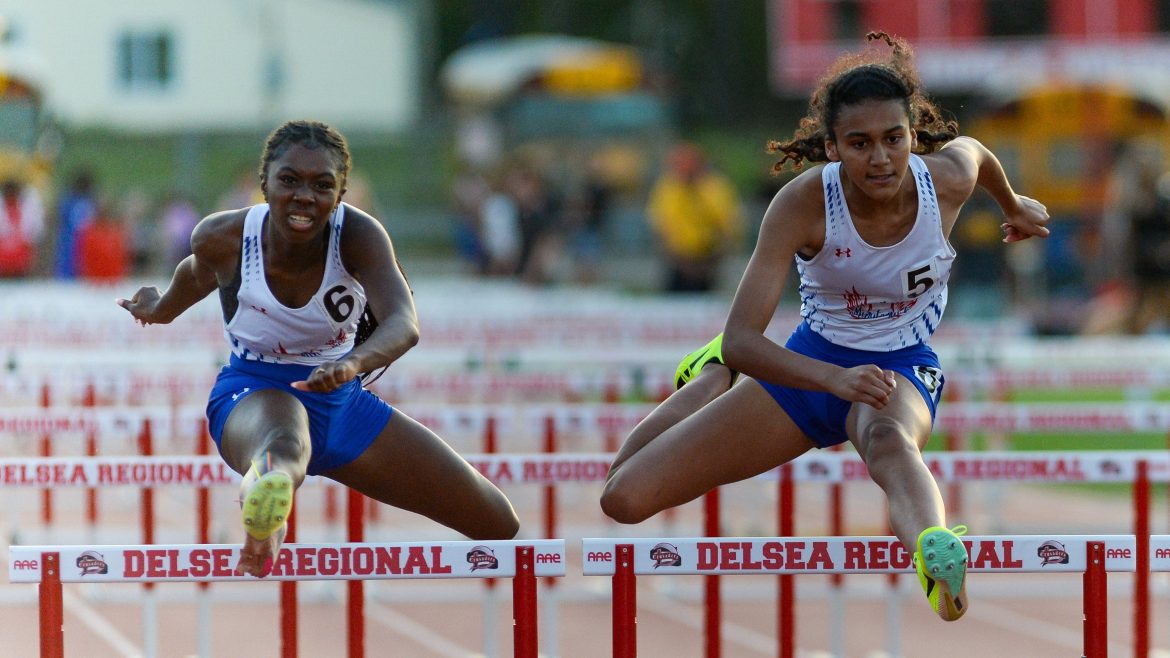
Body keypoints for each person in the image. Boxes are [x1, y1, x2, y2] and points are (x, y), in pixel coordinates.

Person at [600, 33, 1050, 622]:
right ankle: (711, 379)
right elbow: (744, 339)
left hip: (900, 364)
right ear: (832, 147)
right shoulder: (804, 204)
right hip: (807, 366)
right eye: (859, 144)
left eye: (894, 139)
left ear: (913, 134)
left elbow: (977, 151)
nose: (881, 159)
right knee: (624, 497)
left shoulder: (945, 180)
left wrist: (1013, 204)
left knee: (889, 440)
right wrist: (828, 379)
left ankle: (933, 547)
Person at [118, 120, 519, 577]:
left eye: (322, 185)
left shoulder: (360, 236)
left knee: (498, 523)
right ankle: (266, 502)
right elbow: (192, 278)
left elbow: (403, 323)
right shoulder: (223, 238)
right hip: (255, 394)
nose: (304, 196)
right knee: (286, 442)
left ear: (341, 192)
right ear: (263, 182)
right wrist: (157, 308)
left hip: (343, 403)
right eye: (289, 180)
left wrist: (353, 364)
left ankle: (269, 497)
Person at [646, 142, 742, 292]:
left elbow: (729, 227)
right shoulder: (667, 189)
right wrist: (680, 261)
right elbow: (660, 228)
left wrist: (714, 259)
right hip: (677, 264)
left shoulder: (715, 188)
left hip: (709, 262)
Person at [0, 178, 45, 278]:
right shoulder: (3, 209)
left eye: (13, 194)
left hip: (21, 262)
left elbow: (35, 233)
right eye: (8, 194)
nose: (10, 197)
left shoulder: (26, 209)